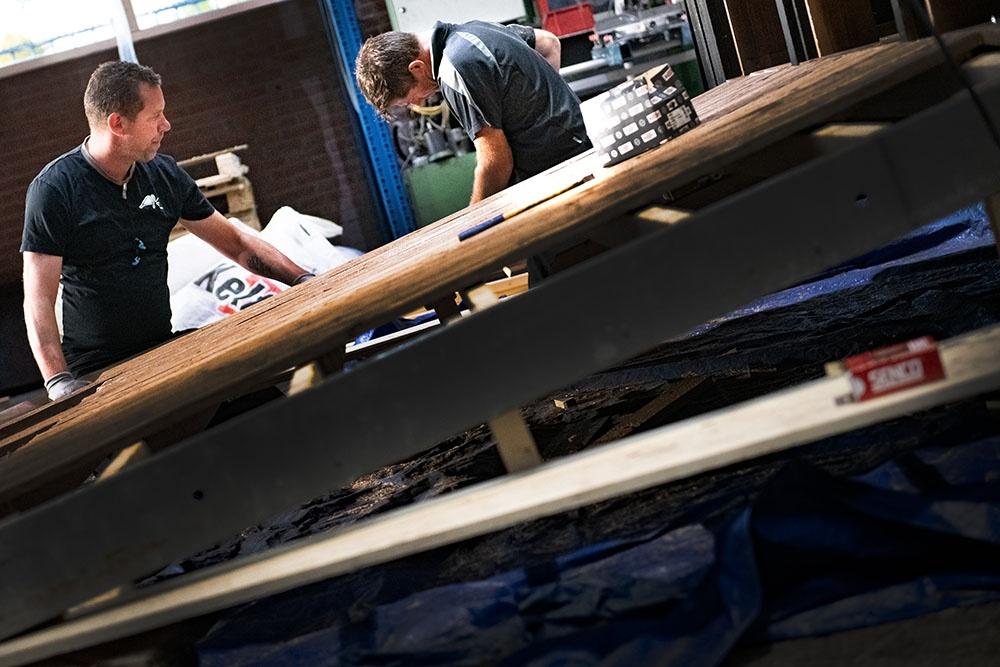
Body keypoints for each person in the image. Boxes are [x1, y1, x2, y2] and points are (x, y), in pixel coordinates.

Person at [21, 61, 314, 402]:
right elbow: (39, 298)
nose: (166, 125)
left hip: (163, 346)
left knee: (262, 402)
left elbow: (237, 244)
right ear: (118, 123)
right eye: (155, 116)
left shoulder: (163, 175)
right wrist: (58, 381)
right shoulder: (55, 190)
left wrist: (302, 279)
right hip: (98, 369)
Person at [356, 21, 592, 204]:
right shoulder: (476, 29)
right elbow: (549, 43)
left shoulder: (453, 69)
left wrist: (474, 217)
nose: (418, 102)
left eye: (409, 98)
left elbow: (496, 161)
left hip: (564, 169)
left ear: (416, 68)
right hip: (580, 146)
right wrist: (543, 102)